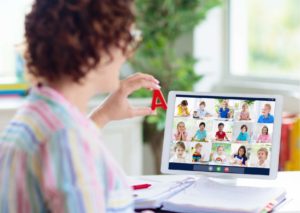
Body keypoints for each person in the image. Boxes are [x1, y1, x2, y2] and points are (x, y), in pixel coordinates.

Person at [0, 1, 159, 212]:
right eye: (127, 39)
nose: (127, 53)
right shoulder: (66, 138)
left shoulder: (32, 117)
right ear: (98, 45)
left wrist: (103, 115)